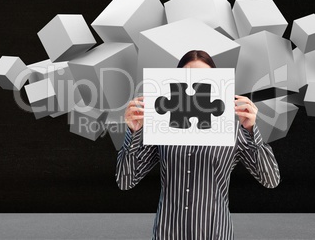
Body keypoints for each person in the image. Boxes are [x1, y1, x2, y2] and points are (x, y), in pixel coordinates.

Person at [115, 50, 280, 240]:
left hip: (215, 233)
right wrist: (133, 133)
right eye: (187, 76)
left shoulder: (232, 130)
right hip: (168, 234)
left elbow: (270, 180)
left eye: (204, 78)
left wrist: (251, 130)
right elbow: (126, 181)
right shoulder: (160, 128)